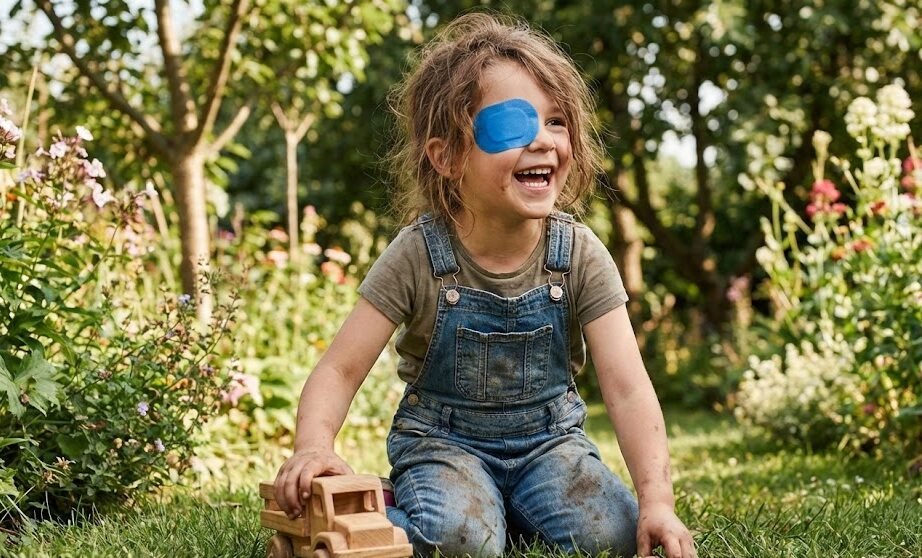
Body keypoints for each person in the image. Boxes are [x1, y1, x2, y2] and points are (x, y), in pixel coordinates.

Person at [273, 12, 696, 558]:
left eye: (556, 122)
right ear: (447, 156)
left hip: (550, 444)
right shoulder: (419, 254)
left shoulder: (580, 254)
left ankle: (503, 508)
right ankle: (389, 510)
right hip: (443, 444)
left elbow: (628, 387)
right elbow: (340, 367)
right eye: (512, 126)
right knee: (463, 541)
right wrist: (313, 446)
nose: (543, 141)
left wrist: (657, 500)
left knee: (611, 534)